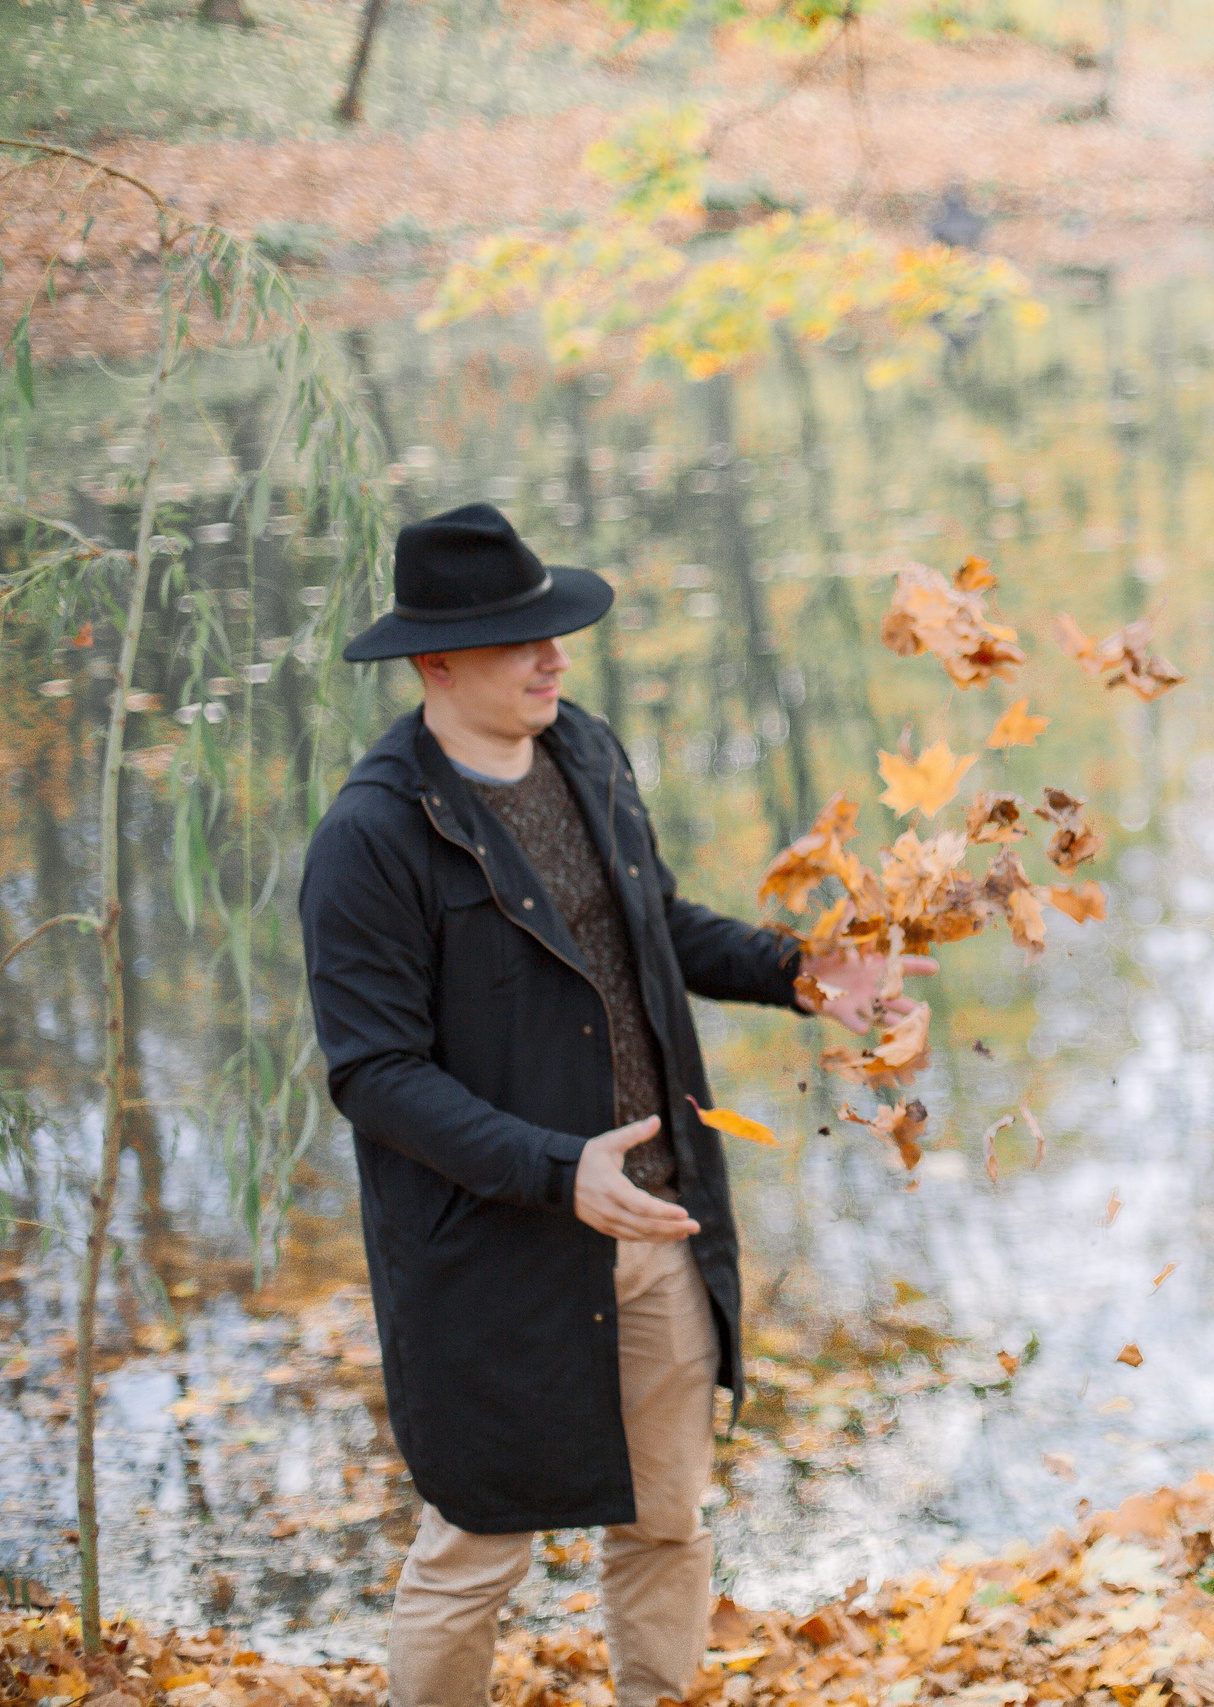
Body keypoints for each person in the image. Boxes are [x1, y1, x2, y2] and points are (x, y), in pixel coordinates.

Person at [299, 504, 931, 1707]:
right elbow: (372, 1076)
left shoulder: (583, 751)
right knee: (476, 1550)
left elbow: (656, 928)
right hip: (496, 1257)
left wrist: (803, 973)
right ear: (435, 663)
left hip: (656, 1222)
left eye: (555, 632)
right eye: (521, 639)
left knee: (667, 1519)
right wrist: (554, 1169)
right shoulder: (372, 838)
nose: (555, 657)